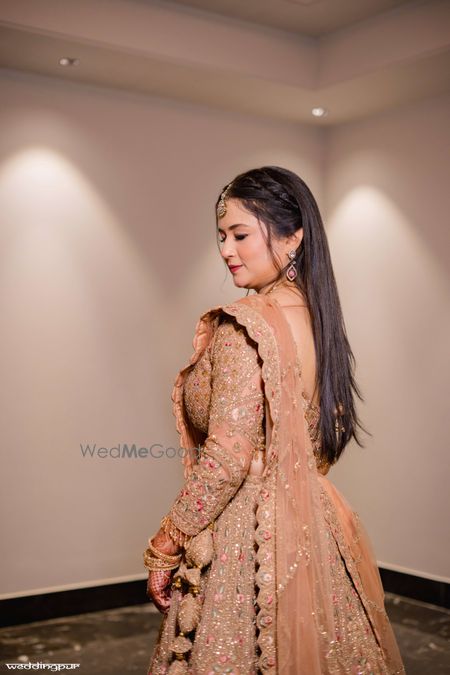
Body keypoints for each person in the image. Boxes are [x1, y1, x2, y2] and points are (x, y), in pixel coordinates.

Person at [143, 166, 405, 674]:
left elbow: (227, 458)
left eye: (240, 235)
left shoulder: (246, 324)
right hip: (316, 528)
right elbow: (320, 443)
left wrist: (166, 545)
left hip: (247, 539)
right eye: (222, 236)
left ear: (292, 237)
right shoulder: (319, 319)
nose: (226, 249)